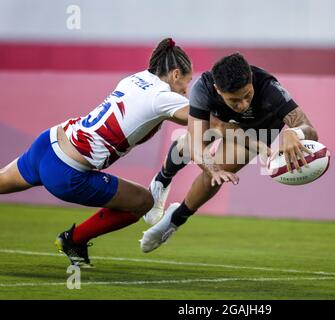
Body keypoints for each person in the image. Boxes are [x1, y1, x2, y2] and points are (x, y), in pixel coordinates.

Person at [0, 38, 192, 267]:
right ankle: (73, 240)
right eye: (186, 84)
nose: (185, 91)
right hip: (66, 172)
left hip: (47, 143)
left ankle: (73, 241)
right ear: (176, 74)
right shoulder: (162, 98)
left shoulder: (136, 78)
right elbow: (202, 117)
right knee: (143, 202)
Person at [140, 53, 318, 252]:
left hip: (258, 127)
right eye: (234, 100)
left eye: (247, 95)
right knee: (190, 144)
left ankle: (174, 219)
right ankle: (162, 180)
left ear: (251, 80)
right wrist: (211, 167)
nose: (243, 104)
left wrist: (294, 132)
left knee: (219, 172)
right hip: (218, 121)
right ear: (218, 89)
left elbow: (309, 128)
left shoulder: (269, 88)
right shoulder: (204, 88)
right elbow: (198, 146)